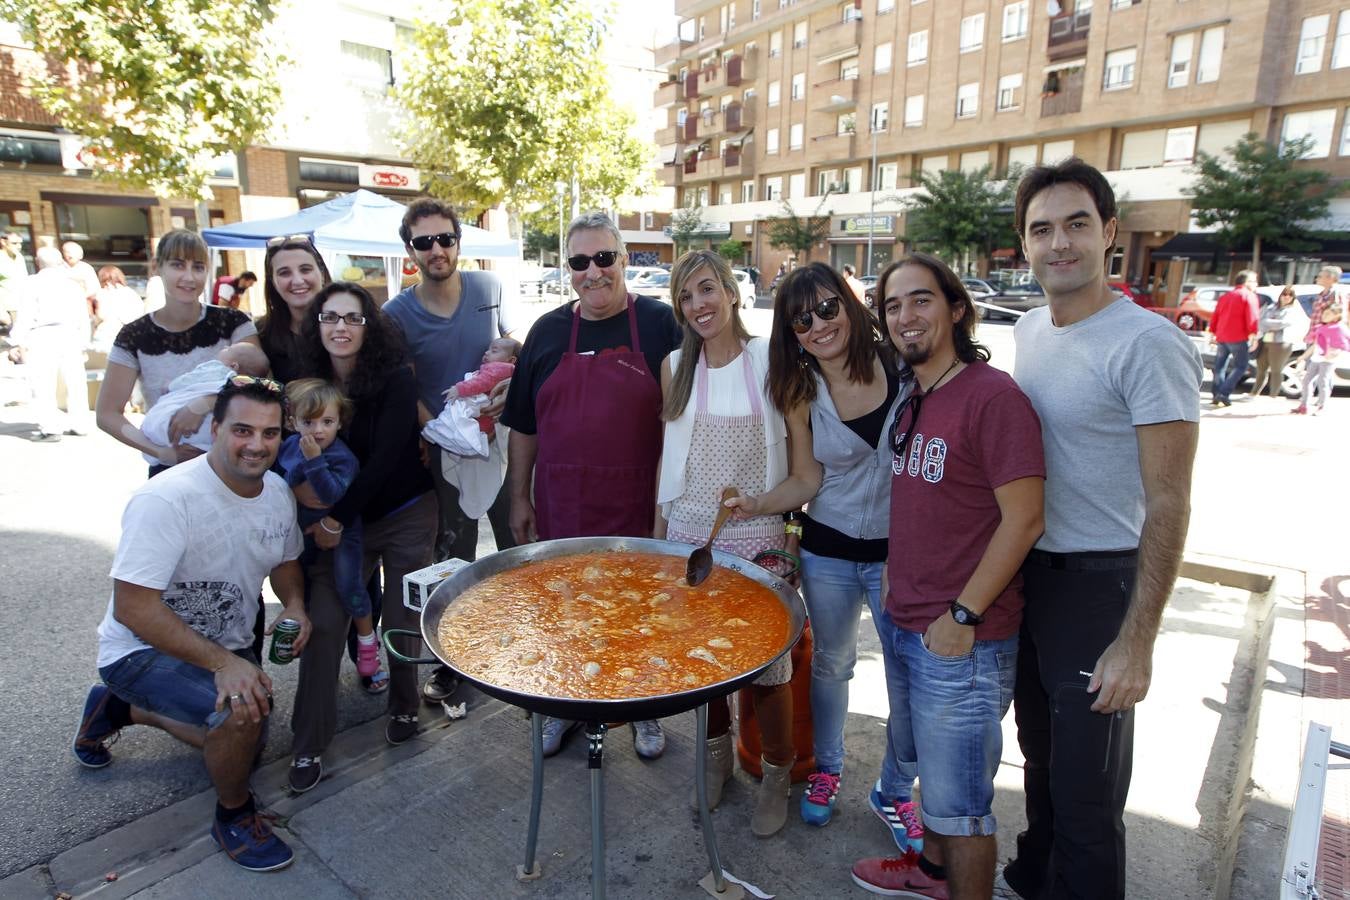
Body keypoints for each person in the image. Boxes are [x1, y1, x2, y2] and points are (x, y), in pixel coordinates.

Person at [1005, 158, 1201, 900]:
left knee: (1089, 797)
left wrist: (1138, 638)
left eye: (1076, 224)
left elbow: (1171, 501)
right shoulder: (1028, 330)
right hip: (1033, 581)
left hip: (1099, 588)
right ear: (1024, 244)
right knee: (1041, 761)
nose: (1060, 243)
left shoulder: (1147, 344)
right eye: (1042, 229)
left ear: (1110, 233)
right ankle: (1036, 878)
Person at [850, 253, 1046, 900]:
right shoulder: (915, 393)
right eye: (893, 305)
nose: (905, 316)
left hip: (963, 640)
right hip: (907, 623)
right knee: (934, 786)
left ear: (956, 308)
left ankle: (956, 879)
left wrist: (963, 615)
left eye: (921, 300)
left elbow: (1024, 521)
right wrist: (891, 576)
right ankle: (929, 873)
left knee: (962, 810)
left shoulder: (993, 398)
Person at [71, 377, 311, 872]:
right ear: (216, 428)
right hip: (139, 651)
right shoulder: (167, 499)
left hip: (223, 640)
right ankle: (234, 816)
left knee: (249, 734)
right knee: (240, 716)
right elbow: (133, 609)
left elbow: (286, 564)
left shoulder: (278, 493)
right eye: (242, 430)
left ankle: (120, 712)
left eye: (269, 434)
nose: (256, 445)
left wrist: (295, 606)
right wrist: (224, 664)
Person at [503, 210, 683, 760]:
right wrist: (518, 496)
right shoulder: (547, 331)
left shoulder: (659, 324)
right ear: (569, 269)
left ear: (625, 260)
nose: (593, 272)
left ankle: (645, 708)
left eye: (604, 258)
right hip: (563, 507)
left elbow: (686, 416)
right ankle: (565, 704)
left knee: (640, 612)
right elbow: (525, 425)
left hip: (637, 505)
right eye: (580, 261)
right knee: (564, 611)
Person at [655, 249, 821, 837]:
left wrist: (774, 518)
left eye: (706, 289)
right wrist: (659, 543)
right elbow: (668, 466)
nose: (698, 305)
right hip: (689, 539)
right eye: (685, 296)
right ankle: (716, 758)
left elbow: (807, 473)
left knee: (767, 671)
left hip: (757, 534)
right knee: (701, 665)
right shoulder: (675, 366)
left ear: (730, 291)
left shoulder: (772, 361)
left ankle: (777, 772)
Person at [763, 261, 917, 840]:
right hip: (826, 551)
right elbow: (805, 480)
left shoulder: (902, 367)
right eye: (802, 320)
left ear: (850, 305)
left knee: (908, 675)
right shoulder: (800, 390)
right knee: (832, 664)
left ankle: (897, 791)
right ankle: (828, 769)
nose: (818, 325)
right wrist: (755, 504)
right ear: (792, 333)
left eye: (828, 308)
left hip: (899, 554)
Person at [288, 282, 436, 793]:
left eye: (353, 318)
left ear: (369, 326)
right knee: (325, 621)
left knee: (398, 617)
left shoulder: (393, 378)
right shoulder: (307, 381)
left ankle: (405, 708)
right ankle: (308, 743)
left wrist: (332, 519)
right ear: (317, 325)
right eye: (330, 318)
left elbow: (387, 458)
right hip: (341, 524)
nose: (341, 328)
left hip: (401, 512)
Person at [383, 197, 520, 707]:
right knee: (453, 557)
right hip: (444, 450)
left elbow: (513, 343)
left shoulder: (489, 287)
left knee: (515, 544)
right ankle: (450, 663)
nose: (437, 249)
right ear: (410, 251)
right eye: (425, 242)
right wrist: (440, 432)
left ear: (458, 242)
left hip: (501, 442)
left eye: (445, 238)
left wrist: (513, 378)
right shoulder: (395, 314)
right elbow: (403, 387)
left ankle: (522, 642)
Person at [96, 229, 259, 475]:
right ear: (157, 267)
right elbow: (107, 413)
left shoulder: (233, 322)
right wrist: (160, 452)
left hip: (233, 463)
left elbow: (263, 385)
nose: (189, 277)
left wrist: (205, 402)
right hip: (170, 468)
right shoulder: (134, 336)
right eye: (178, 265)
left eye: (198, 267)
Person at [277, 377, 382, 677]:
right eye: (309, 422)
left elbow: (331, 495)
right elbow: (278, 476)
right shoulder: (287, 446)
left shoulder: (342, 458)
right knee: (299, 582)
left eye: (327, 421)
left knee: (348, 584)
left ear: (339, 422)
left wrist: (314, 462)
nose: (318, 430)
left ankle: (366, 639)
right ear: (293, 422)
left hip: (343, 531)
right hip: (303, 529)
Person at [8, 246, 93, 441]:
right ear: (60, 261)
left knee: (43, 383)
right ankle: (80, 423)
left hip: (42, 336)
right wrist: (84, 342)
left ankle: (50, 427)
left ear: (38, 263)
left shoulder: (31, 284)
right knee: (75, 382)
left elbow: (25, 315)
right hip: (70, 334)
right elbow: (82, 316)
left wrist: (16, 340)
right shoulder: (71, 285)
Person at [139, 343, 270, 463]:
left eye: (228, 348)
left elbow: (187, 380)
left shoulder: (216, 368)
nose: (224, 347)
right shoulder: (247, 388)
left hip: (176, 426)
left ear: (234, 366)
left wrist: (170, 386)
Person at [256, 235, 329, 384]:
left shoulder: (348, 325)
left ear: (321, 273)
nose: (297, 281)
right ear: (273, 282)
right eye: (284, 273)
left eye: (305, 270)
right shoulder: (261, 335)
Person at [1206, 269, 1259, 407]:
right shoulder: (1249, 296)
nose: (1256, 284)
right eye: (1254, 281)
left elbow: (1216, 316)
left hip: (1222, 336)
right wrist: (1253, 336)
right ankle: (1223, 393)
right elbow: (1252, 318)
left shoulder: (1226, 296)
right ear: (1247, 282)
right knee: (1240, 366)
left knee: (1219, 367)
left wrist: (1212, 333)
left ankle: (1217, 393)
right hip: (1238, 336)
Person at [1253, 285, 1309, 399]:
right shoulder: (1270, 307)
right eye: (1284, 294)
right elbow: (1261, 321)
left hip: (1282, 343)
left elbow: (1285, 323)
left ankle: (1273, 395)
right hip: (1266, 340)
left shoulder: (1294, 310)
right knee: (1261, 368)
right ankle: (1254, 393)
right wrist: (1272, 324)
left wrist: (1270, 323)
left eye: (1290, 295)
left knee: (1276, 369)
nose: (1287, 297)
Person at [1294, 302, 1348, 415]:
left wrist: (1333, 354)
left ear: (1336, 316)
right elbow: (1315, 345)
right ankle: (1304, 405)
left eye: (1328, 314)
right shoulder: (1321, 328)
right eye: (1324, 313)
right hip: (1316, 358)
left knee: (1323, 382)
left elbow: (1342, 345)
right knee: (1306, 381)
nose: (1324, 316)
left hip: (1328, 361)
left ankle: (1322, 406)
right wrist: (1304, 356)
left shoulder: (1338, 328)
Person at [91, 266, 148, 353]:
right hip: (129, 337)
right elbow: (139, 315)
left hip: (105, 336)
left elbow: (100, 315)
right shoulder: (131, 294)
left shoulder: (101, 294)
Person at [62, 240, 100, 318]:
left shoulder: (86, 268)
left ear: (81, 255)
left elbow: (94, 288)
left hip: (84, 305)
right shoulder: (58, 268)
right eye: (67, 252)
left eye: (73, 252)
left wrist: (80, 297)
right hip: (64, 306)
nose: (70, 255)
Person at [0, 230, 29, 331]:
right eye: (14, 243)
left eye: (20, 243)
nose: (19, 246)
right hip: (7, 307)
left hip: (22, 304)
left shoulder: (18, 257)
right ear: (3, 242)